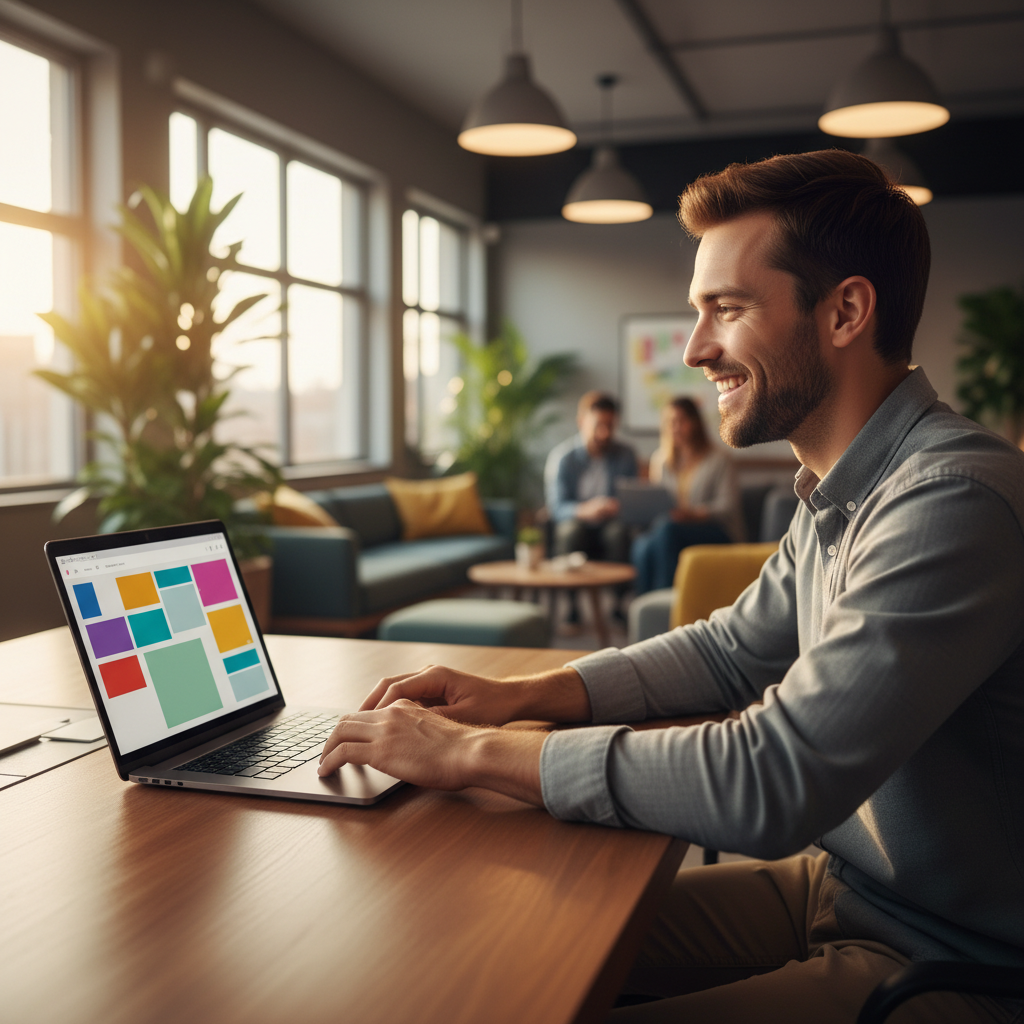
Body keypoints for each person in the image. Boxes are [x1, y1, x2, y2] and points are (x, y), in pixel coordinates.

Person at [318, 150, 1024, 1023]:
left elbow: (775, 777)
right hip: (844, 890)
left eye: (726, 310)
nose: (695, 350)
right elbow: (731, 651)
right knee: (495, 946)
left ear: (845, 310)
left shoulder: (950, 500)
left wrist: (470, 753)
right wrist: (514, 695)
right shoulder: (844, 490)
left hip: (956, 961)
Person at [632, 396, 743, 594]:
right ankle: (645, 607)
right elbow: (658, 503)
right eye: (669, 422)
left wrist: (692, 514)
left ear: (695, 423)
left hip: (715, 530)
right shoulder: (662, 461)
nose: (675, 427)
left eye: (681, 421)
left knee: (667, 530)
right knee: (642, 544)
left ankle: (665, 604)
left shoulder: (720, 460)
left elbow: (727, 506)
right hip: (673, 529)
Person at [544, 390, 638, 620]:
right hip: (577, 521)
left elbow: (632, 500)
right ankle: (572, 607)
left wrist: (616, 506)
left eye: (610, 425)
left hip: (610, 522)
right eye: (598, 425)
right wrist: (584, 510)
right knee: (570, 531)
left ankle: (618, 605)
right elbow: (556, 507)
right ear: (581, 422)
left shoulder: (625, 455)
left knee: (619, 533)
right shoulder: (563, 458)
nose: (605, 433)